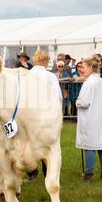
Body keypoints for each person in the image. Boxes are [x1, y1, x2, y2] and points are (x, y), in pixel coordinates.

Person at [76, 55, 102, 181]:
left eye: (84, 67)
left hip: (91, 119)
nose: (82, 70)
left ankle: (89, 173)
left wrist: (77, 102)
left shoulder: (88, 83)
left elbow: (84, 102)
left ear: (91, 67)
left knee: (89, 146)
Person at [29, 50, 62, 178]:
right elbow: (57, 95)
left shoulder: (26, 75)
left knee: (29, 143)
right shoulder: (50, 76)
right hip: (45, 115)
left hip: (28, 116)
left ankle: (32, 172)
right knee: (47, 144)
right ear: (44, 61)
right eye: (47, 61)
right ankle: (47, 172)